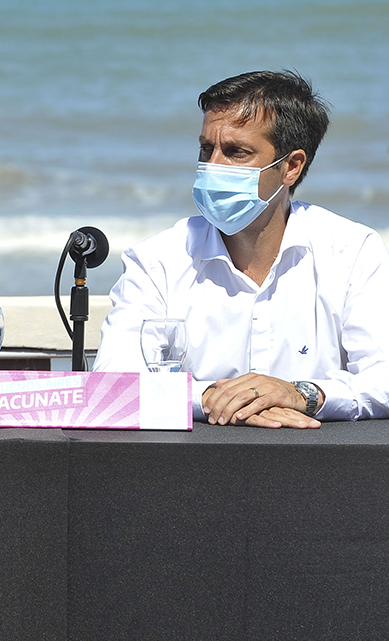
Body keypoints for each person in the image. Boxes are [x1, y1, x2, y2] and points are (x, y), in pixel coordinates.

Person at [94, 71, 389, 427]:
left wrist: (302, 395)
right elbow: (113, 380)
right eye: (207, 148)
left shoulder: (353, 252)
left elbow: (382, 377)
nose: (212, 166)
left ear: (291, 167)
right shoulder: (159, 259)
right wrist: (210, 399)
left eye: (236, 152)